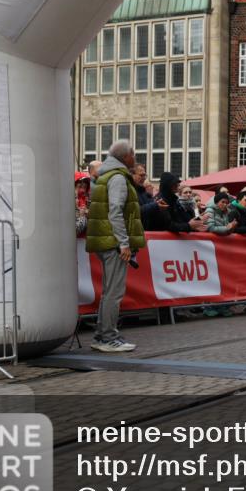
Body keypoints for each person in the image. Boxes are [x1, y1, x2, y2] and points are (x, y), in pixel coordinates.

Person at [85, 140, 144, 352]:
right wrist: (124, 243)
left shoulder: (106, 175)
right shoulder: (118, 177)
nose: (135, 159)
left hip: (106, 241)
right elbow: (115, 211)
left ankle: (103, 335)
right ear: (125, 157)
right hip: (113, 243)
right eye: (133, 155)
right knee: (114, 292)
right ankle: (107, 337)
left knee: (109, 291)